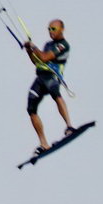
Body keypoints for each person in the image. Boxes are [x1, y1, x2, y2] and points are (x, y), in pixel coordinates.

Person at [24, 19, 74, 153]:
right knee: (31, 108)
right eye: (49, 29)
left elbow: (45, 58)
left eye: (53, 29)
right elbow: (37, 61)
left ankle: (69, 126)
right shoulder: (47, 44)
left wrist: (34, 47)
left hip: (52, 76)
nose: (50, 32)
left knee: (55, 93)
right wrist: (29, 50)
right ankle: (43, 143)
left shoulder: (63, 45)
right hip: (40, 78)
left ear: (61, 29)